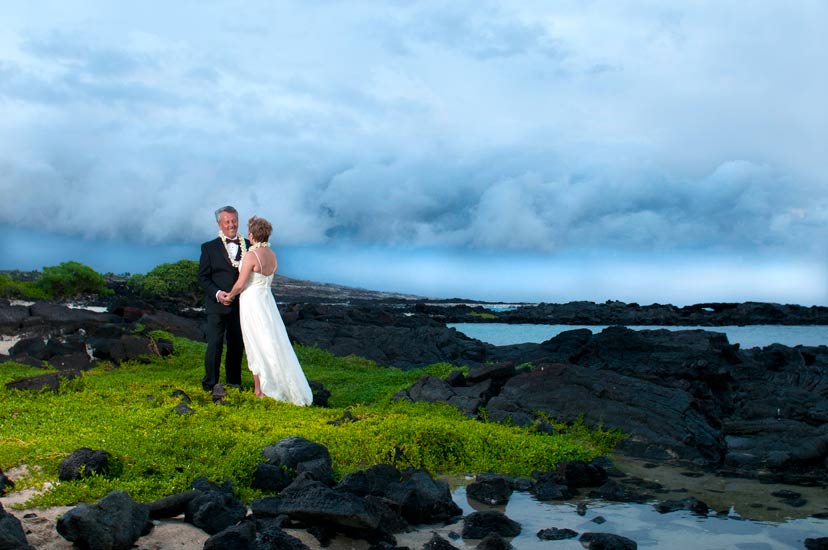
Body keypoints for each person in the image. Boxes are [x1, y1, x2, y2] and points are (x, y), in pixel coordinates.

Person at [226, 216, 313, 405]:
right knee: (272, 341)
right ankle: (266, 386)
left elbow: (241, 284)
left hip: (252, 301)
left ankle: (260, 390)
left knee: (255, 343)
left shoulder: (251, 255)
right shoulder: (272, 254)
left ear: (252, 234)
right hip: (267, 301)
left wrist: (229, 295)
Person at [198, 206, 249, 392]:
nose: (231, 225)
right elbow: (203, 277)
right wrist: (219, 294)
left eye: (234, 220)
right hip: (216, 305)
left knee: (237, 344)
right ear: (220, 224)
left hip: (240, 306)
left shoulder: (249, 245)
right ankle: (210, 384)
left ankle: (234, 383)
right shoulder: (209, 247)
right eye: (227, 222)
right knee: (215, 344)